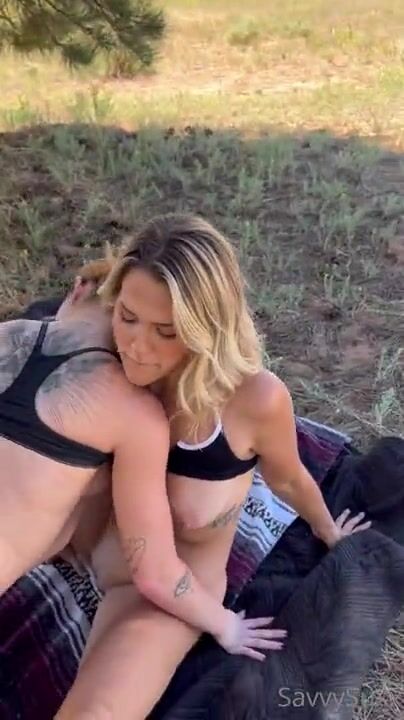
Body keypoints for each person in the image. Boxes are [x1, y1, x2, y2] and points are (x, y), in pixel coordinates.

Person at [54, 213, 371, 720]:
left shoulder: (252, 401)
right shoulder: (102, 347)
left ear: (208, 330)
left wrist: (327, 530)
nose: (137, 346)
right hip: (70, 544)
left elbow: (288, 477)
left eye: (166, 332)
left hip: (165, 594)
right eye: (128, 317)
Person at [0, 254, 277, 656]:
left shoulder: (7, 332)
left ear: (78, 290)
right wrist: (227, 626)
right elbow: (156, 574)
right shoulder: (134, 413)